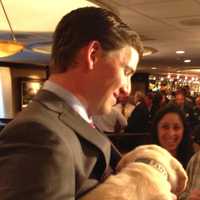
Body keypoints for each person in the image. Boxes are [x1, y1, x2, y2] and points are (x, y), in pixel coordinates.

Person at [0, 7, 186, 200]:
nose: (128, 89)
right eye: (126, 72)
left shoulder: (72, 122)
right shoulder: (37, 134)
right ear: (93, 55)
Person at [151, 104, 194, 169]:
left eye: (176, 127)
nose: (171, 133)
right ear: (156, 129)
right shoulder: (146, 161)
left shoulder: (193, 163)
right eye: (165, 127)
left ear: (184, 130)